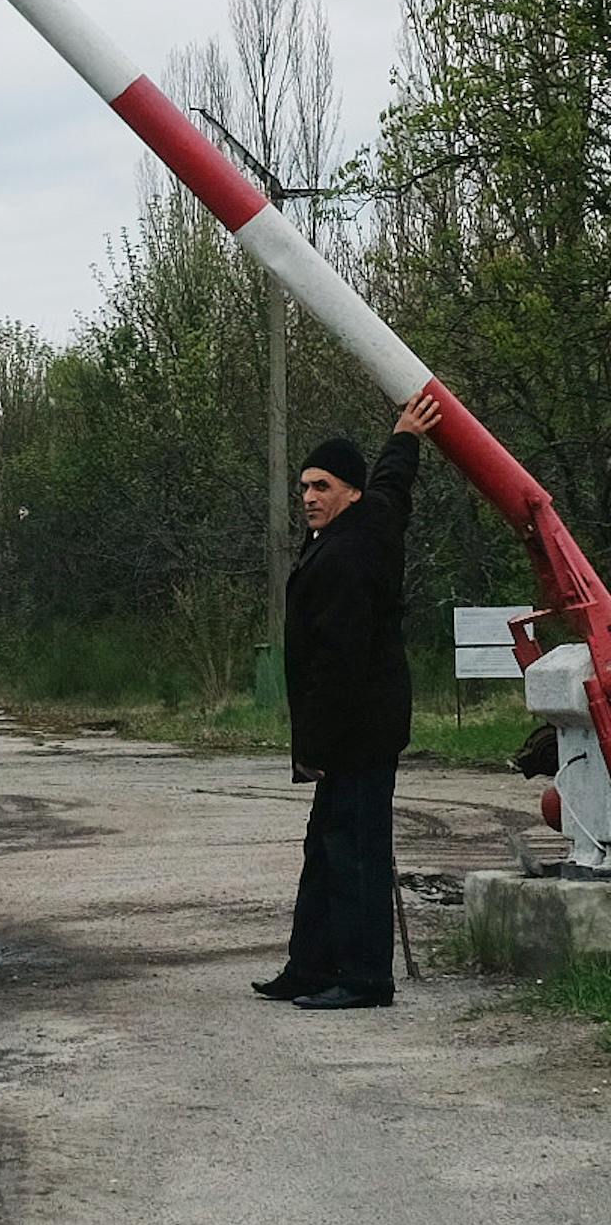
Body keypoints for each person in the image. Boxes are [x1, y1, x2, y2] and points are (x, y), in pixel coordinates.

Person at [253, 389, 442, 1010]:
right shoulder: (373, 517)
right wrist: (405, 435)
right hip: (361, 728)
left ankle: (364, 978)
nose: (308, 496)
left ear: (348, 493)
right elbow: (394, 486)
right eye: (305, 485)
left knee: (356, 852)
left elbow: (336, 668)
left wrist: (312, 750)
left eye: (323, 486)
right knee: (326, 849)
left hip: (356, 730)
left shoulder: (348, 553)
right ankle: (310, 967)